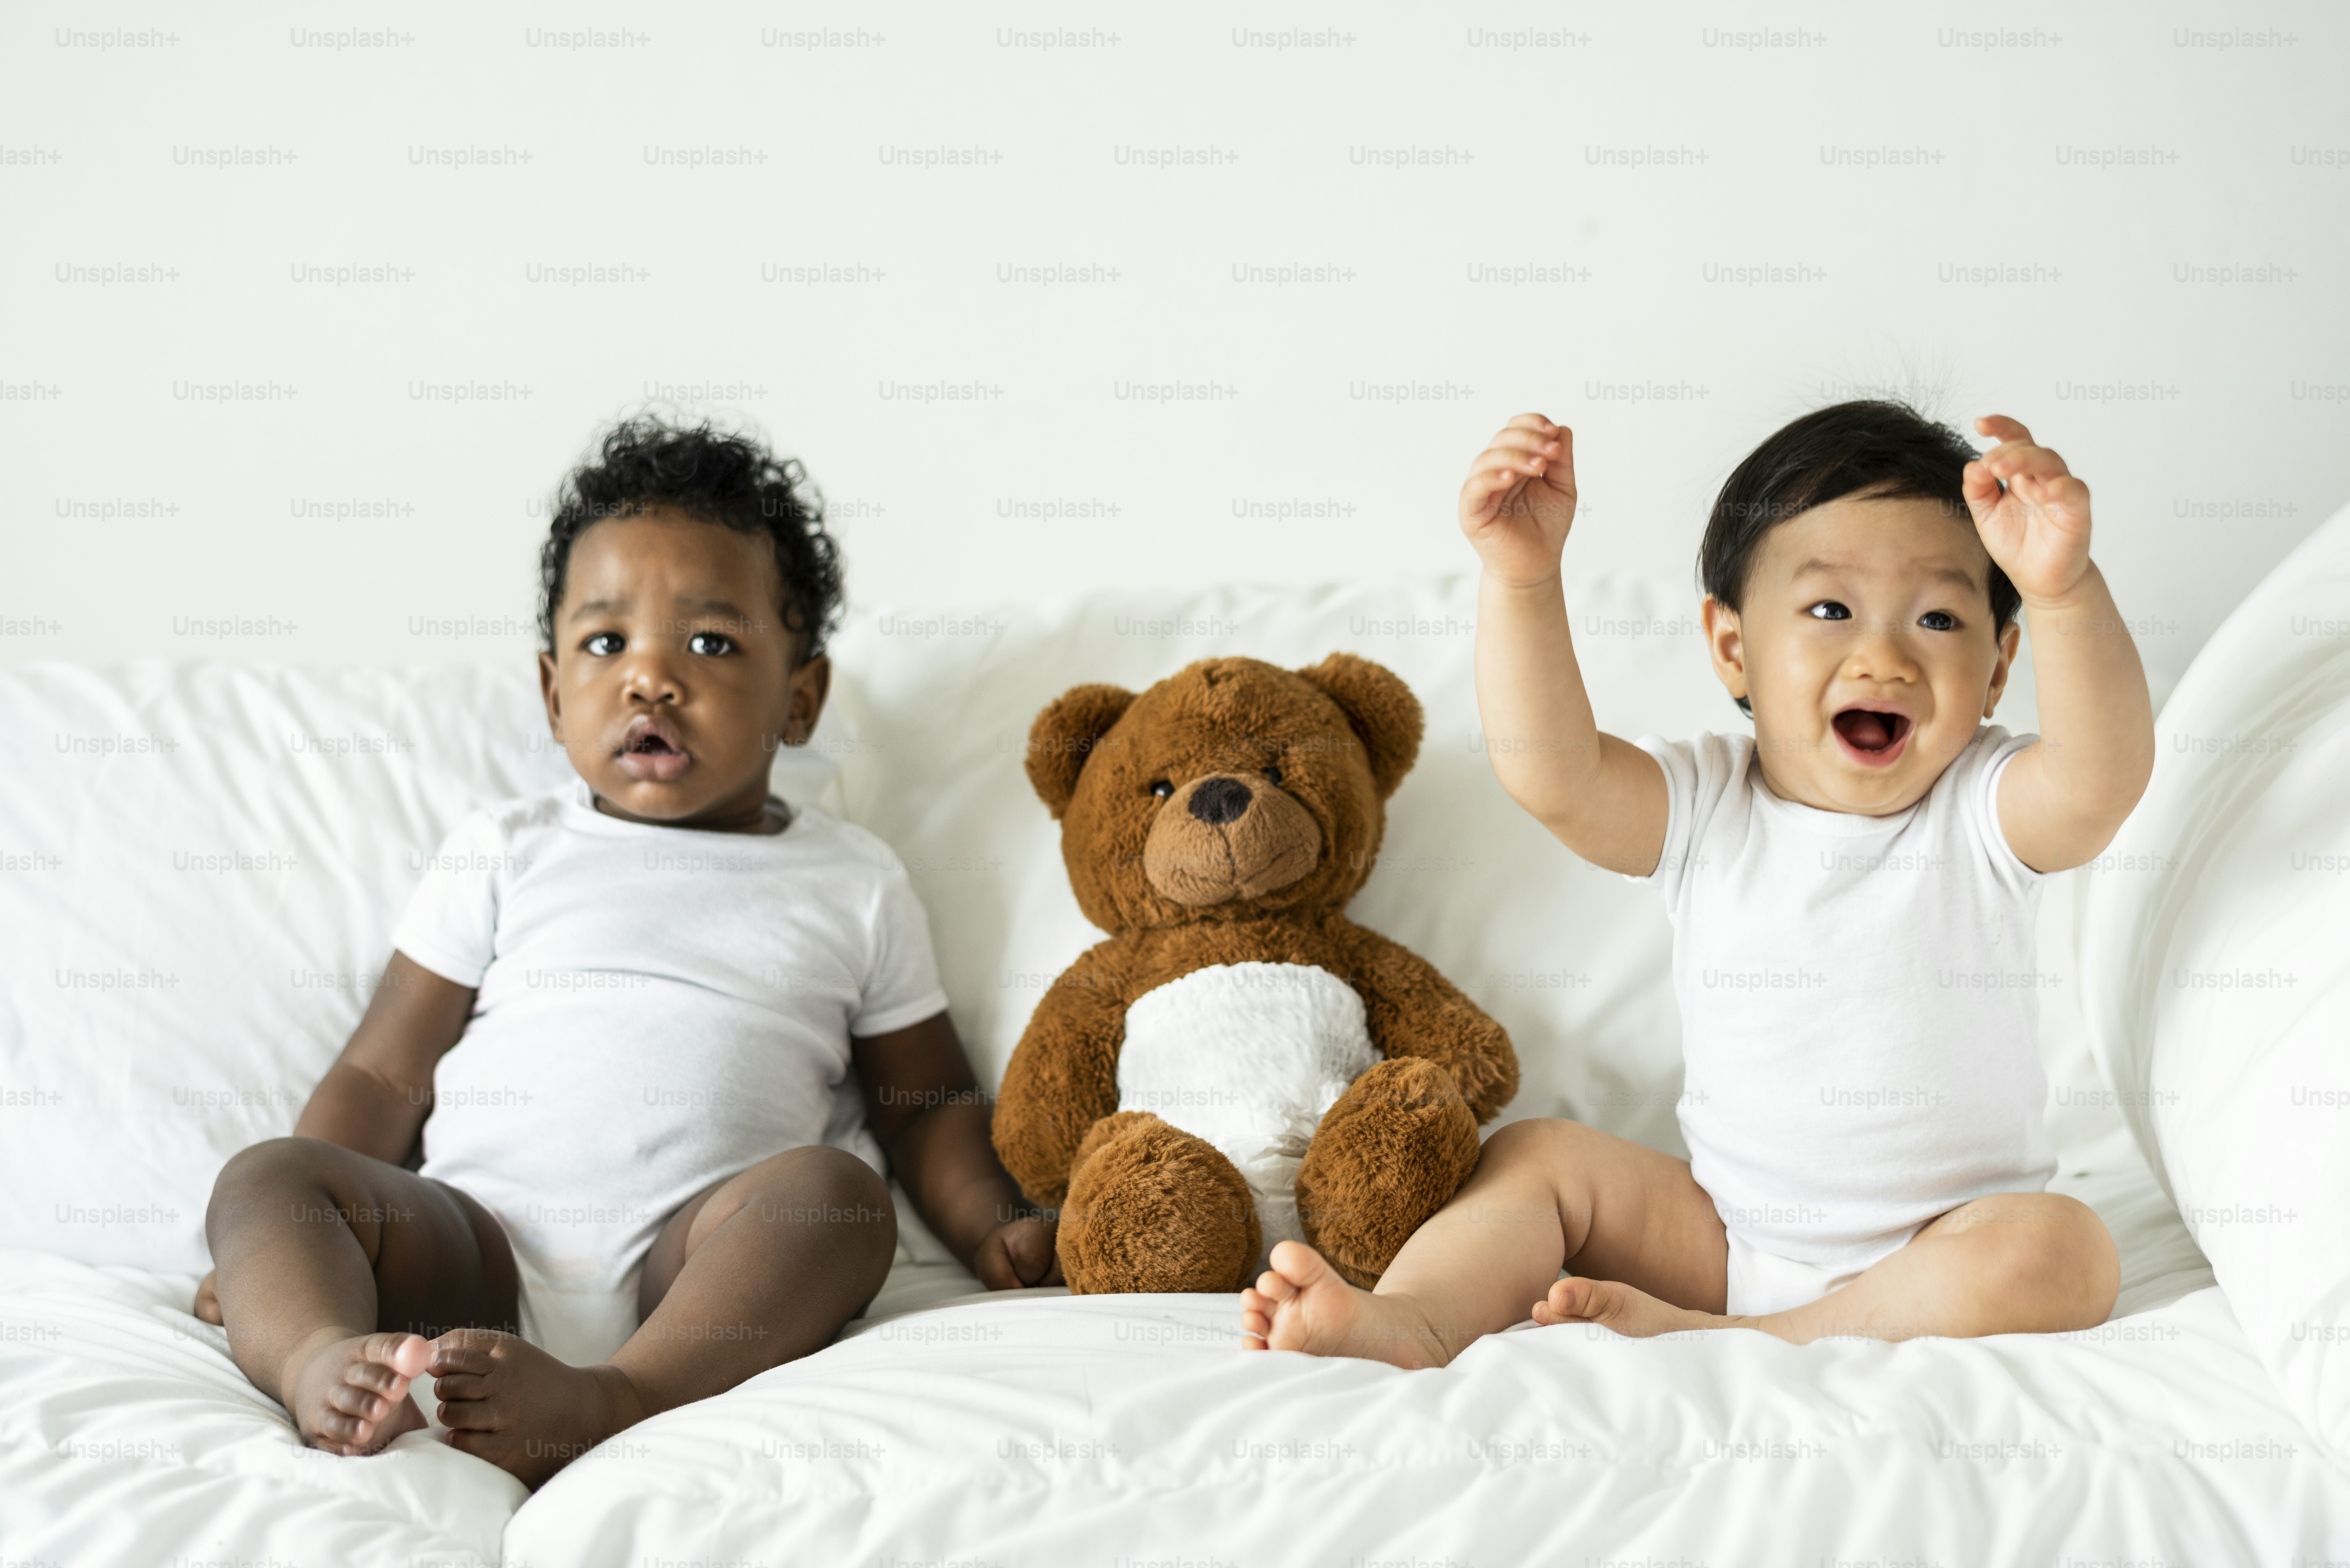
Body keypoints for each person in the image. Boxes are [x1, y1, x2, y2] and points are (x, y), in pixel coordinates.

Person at [197, 415, 1056, 1485]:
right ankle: (320, 1359)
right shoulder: (508, 851)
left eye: (711, 642)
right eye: (607, 644)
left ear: (802, 696)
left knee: (839, 1199)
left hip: (694, 1272)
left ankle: (622, 1396)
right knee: (270, 1178)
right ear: (555, 691)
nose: (650, 680)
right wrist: (293, 1267)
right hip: (477, 1257)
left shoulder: (855, 881)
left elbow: (926, 1107)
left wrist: (993, 1226)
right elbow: (382, 1071)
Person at [1243, 401, 2151, 1363]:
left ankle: (1750, 1340)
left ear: (1999, 666)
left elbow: (2104, 776)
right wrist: (1522, 580)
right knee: (1539, 1157)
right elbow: (1552, 772)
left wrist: (2064, 591)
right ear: (1732, 648)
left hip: (1946, 1248)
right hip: (1728, 1237)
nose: (1884, 656)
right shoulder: (1710, 802)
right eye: (1830, 610)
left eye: (1938, 617)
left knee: (2064, 1249)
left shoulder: (1984, 806)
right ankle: (1415, 1318)